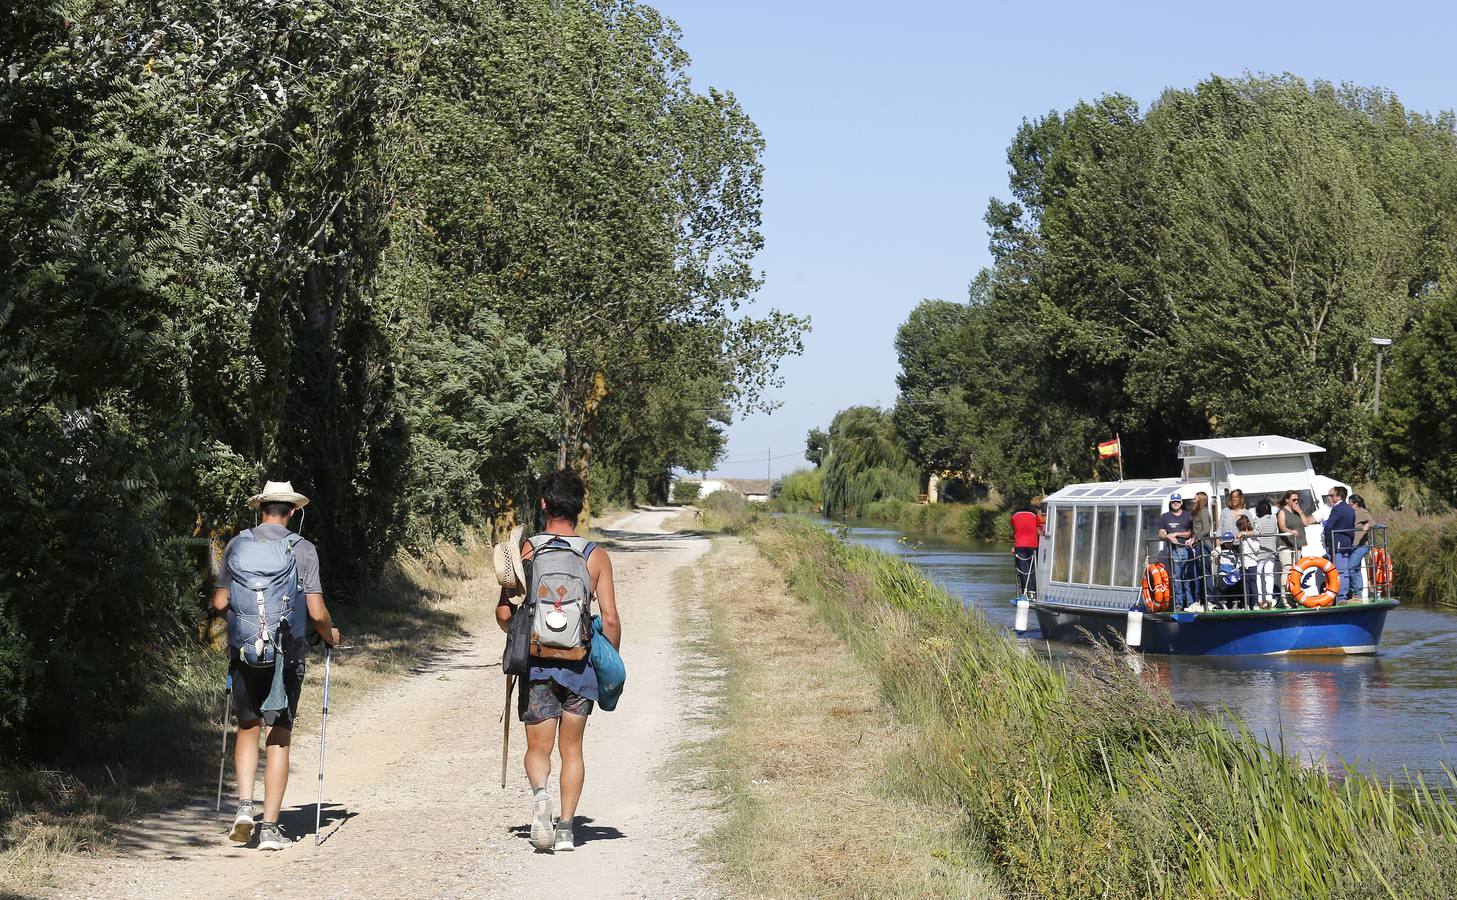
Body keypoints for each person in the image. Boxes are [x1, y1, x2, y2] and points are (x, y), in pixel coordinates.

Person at [496, 470, 621, 853]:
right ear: (580, 507)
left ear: (544, 504)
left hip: (537, 665)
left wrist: (519, 628)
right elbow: (612, 620)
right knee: (573, 749)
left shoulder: (526, 551)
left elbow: (504, 615)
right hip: (580, 666)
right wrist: (604, 660)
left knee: (538, 748)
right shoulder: (594, 556)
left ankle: (540, 797)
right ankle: (566, 829)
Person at [211, 481, 340, 851]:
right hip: (287, 650)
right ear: (294, 512)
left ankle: (243, 809)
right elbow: (316, 612)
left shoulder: (237, 545)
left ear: (261, 508)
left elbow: (220, 603)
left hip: (244, 651)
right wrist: (330, 633)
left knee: (247, 726)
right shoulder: (304, 549)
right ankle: (270, 828)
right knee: (278, 733)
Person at [1156, 494, 1194, 610]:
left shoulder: (1188, 516)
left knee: (1187, 577)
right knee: (1176, 578)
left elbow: (1191, 533)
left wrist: (1176, 534)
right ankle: (1179, 604)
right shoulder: (1165, 517)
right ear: (1170, 503)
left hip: (1187, 549)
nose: (1175, 503)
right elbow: (1161, 534)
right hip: (1173, 550)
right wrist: (1168, 537)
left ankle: (1190, 603)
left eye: (1177, 501)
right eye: (1173, 502)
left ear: (1181, 503)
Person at [1322, 486, 1356, 603]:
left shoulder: (1337, 509)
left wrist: (1327, 541)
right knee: (1344, 571)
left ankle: (1340, 597)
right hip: (1346, 543)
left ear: (1338, 496)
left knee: (1340, 571)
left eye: (1331, 496)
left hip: (1337, 543)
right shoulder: (1350, 509)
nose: (1330, 498)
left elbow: (1329, 527)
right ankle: (1342, 595)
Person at [1277, 490, 1314, 583]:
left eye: (1297, 500)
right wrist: (1290, 531)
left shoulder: (1297, 511)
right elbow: (1282, 526)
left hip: (1297, 544)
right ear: (1287, 500)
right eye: (1293, 499)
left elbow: (1306, 523)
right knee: (1287, 568)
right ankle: (1284, 595)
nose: (1296, 502)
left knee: (1296, 570)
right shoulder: (1282, 512)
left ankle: (1295, 593)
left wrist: (1300, 511)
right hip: (1285, 544)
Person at [1251, 500, 1281, 608]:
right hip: (1272, 550)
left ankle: (1259, 599)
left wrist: (1245, 532)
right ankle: (1269, 598)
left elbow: (1256, 532)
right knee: (1269, 574)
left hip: (1261, 550)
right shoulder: (1273, 519)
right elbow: (1276, 531)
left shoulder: (1258, 520)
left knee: (1258, 575)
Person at [1347, 494, 1376, 600]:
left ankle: (1356, 592)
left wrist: (1367, 525)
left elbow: (1372, 521)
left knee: (1350, 568)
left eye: (1350, 503)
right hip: (1353, 545)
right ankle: (1357, 594)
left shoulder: (1362, 511)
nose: (1348, 504)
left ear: (1356, 504)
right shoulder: (1351, 512)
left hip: (1361, 546)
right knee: (1356, 569)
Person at [1010, 505, 1040, 597]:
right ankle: (1034, 590)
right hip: (1033, 545)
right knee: (1034, 568)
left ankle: (1025, 591)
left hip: (1019, 545)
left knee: (1023, 569)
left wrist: (1014, 546)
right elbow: (1038, 530)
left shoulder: (1014, 517)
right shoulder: (1034, 516)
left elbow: (1015, 531)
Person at [1189, 492, 1213, 605]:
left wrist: (1195, 538)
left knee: (1205, 573)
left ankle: (1209, 600)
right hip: (1198, 545)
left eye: (1195, 498)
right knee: (1200, 573)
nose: (1193, 500)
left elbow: (1206, 529)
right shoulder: (1198, 512)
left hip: (1204, 546)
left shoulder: (1203, 511)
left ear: (1201, 500)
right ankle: (1202, 600)